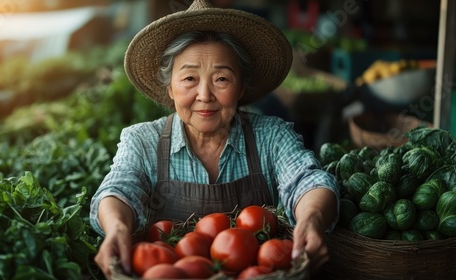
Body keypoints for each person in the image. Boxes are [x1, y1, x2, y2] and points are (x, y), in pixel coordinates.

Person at [90, 0, 339, 278]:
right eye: (189, 79)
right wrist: (118, 229)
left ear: (242, 87)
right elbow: (118, 190)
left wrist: (311, 220)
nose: (205, 95)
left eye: (221, 79)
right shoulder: (142, 141)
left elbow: (309, 180)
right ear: (169, 87)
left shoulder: (271, 136)